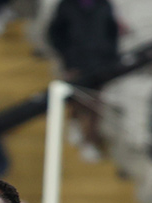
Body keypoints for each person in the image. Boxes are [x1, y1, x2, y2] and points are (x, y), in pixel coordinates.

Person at [47, 0, 120, 162]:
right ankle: (75, 124)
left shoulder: (104, 5)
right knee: (76, 98)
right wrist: (68, 56)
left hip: (99, 65)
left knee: (95, 104)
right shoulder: (66, 5)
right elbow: (54, 32)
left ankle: (89, 141)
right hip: (75, 64)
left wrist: (109, 56)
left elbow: (112, 32)